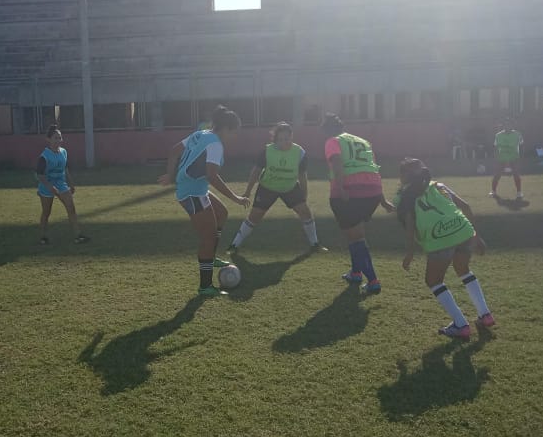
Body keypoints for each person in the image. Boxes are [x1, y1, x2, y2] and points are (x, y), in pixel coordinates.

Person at [397, 158, 494, 340]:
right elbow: (465, 206)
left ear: (404, 176)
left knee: (434, 281)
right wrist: (476, 235)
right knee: (464, 270)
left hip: (439, 238)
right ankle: (485, 315)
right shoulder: (439, 186)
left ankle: (461, 324)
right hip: (463, 231)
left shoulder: (405, 196)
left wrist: (409, 252)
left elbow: (410, 225)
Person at [159, 105, 250, 297]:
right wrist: (236, 197)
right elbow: (212, 176)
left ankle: (212, 257)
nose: (235, 136)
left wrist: (171, 174)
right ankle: (205, 286)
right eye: (235, 132)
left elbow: (174, 151)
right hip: (192, 193)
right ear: (226, 128)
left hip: (194, 188)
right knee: (208, 238)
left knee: (221, 213)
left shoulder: (201, 134)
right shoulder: (215, 144)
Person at [322, 113, 394, 294]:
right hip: (372, 192)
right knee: (354, 233)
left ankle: (373, 280)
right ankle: (355, 272)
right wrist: (382, 199)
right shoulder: (363, 142)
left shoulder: (333, 141)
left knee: (356, 238)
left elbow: (337, 163)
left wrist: (341, 188)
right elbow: (374, 168)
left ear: (326, 130)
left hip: (350, 192)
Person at [227, 122, 326, 253]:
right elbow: (256, 172)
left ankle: (315, 244)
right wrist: (247, 191)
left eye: (287, 138)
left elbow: (302, 176)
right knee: (255, 216)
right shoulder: (267, 151)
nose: (284, 142)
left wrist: (304, 195)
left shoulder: (299, 153)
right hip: (268, 187)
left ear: (291, 137)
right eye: (280, 139)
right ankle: (234, 245)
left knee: (305, 212)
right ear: (275, 139)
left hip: (290, 187)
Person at [36, 125, 91, 245]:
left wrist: (71, 183)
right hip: (46, 185)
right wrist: (49, 186)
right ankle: (43, 237)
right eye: (55, 138)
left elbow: (65, 169)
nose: (58, 140)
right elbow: (39, 175)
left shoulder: (63, 152)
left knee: (71, 208)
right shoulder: (44, 156)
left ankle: (78, 236)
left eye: (60, 138)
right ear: (49, 139)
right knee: (46, 212)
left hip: (61, 184)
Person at [490, 119, 524, 199]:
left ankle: (519, 193)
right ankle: (493, 192)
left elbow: (521, 145)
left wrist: (521, 156)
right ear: (503, 126)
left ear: (512, 125)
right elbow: (495, 146)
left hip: (514, 157)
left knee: (516, 175)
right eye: (506, 125)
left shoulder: (518, 134)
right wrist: (496, 157)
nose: (508, 126)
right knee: (497, 175)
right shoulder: (498, 135)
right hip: (502, 157)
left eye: (509, 124)